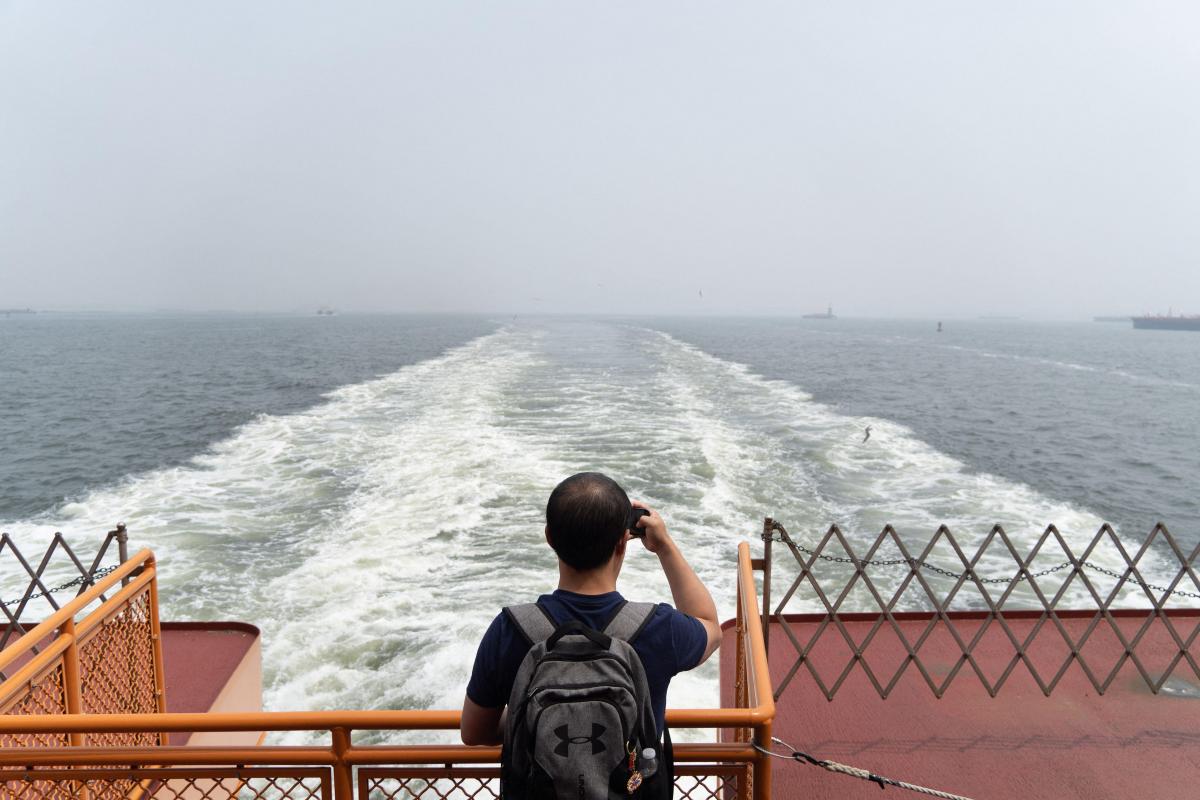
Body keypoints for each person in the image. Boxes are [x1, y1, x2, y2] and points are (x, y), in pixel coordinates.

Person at [460, 472, 722, 746]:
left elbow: (475, 732)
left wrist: (533, 720)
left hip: (536, 791)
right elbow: (710, 627)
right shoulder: (660, 627)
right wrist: (664, 545)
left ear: (549, 538)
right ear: (623, 541)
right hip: (632, 789)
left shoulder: (508, 629)